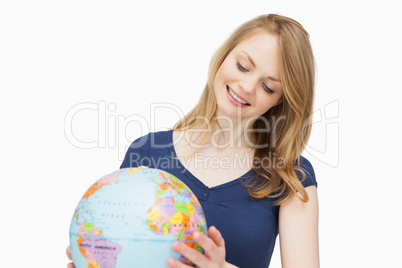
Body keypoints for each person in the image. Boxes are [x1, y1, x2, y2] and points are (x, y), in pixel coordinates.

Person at [67, 13, 319, 268]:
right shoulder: (146, 152)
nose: (247, 85)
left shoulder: (290, 175)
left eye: (268, 87)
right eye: (242, 66)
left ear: (281, 100)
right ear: (223, 56)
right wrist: (93, 256)